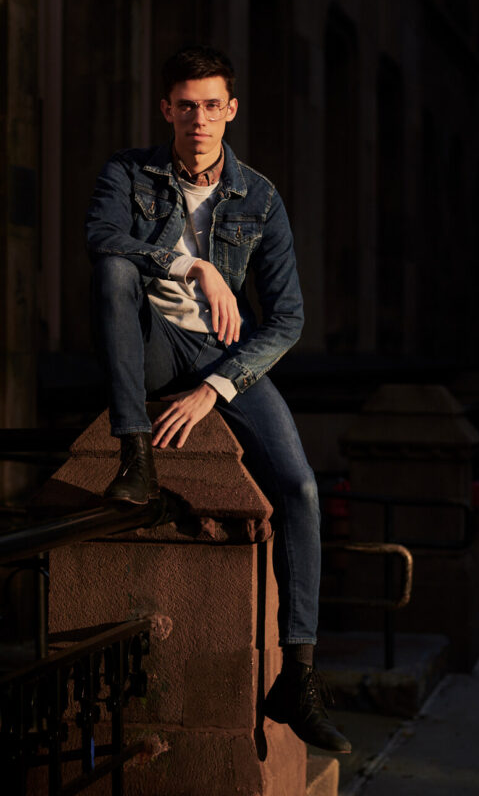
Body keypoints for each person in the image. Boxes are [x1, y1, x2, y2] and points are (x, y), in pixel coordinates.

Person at [85, 45, 351, 754]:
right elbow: (101, 237)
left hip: (225, 361)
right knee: (114, 270)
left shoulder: (259, 197)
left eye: (211, 105)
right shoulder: (127, 172)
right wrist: (194, 265)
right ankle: (135, 458)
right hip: (148, 341)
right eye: (185, 105)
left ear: (230, 110)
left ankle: (296, 678)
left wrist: (212, 389)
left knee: (298, 487)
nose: (198, 119)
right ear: (166, 109)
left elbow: (287, 317)